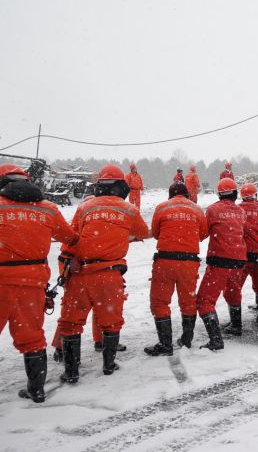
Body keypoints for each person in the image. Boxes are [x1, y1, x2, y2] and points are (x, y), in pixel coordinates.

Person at [57, 165, 149, 383]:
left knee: (71, 323)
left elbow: (72, 235)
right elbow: (143, 232)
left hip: (81, 274)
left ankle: (71, 371)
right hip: (110, 273)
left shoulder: (85, 207)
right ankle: (109, 364)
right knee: (111, 320)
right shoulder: (129, 209)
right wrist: (120, 235)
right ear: (121, 186)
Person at [0, 164, 77, 403]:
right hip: (32, 282)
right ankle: (37, 389)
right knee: (32, 336)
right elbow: (70, 237)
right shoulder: (49, 209)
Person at [49, 195, 127, 361]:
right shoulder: (78, 226)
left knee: (99, 307)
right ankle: (60, 347)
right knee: (72, 313)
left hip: (89, 269)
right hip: (75, 269)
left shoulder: (92, 221)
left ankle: (100, 341)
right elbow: (67, 250)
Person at [145, 183, 208, 356]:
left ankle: (165, 344)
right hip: (189, 262)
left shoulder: (162, 207)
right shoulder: (197, 209)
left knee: (160, 302)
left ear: (170, 194)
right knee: (188, 301)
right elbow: (203, 233)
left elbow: (157, 233)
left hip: (165, 260)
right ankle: (187, 339)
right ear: (187, 194)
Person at [195, 178, 247, 350]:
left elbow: (202, 233)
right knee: (233, 293)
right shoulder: (241, 212)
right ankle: (236, 325)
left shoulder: (212, 210)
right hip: (239, 260)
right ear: (235, 194)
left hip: (220, 260)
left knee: (204, 300)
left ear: (219, 193)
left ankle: (216, 340)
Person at [221, 183, 258, 329]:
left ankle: (235, 321)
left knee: (233, 288)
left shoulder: (238, 210)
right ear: (256, 195)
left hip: (243, 256)